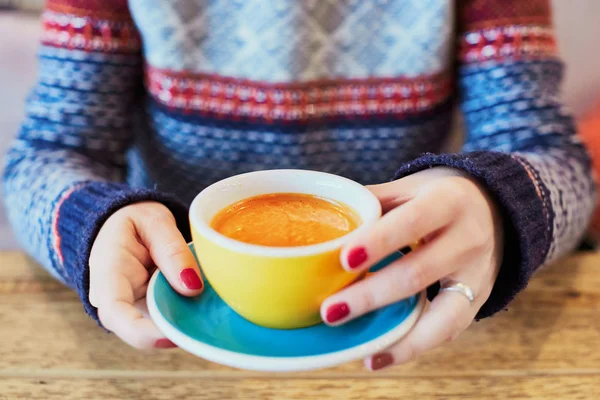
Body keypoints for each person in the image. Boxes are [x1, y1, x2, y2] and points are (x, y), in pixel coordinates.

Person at [2, 0, 595, 370]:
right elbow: (52, 152)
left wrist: (499, 203)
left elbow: (552, 156)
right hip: (171, 336)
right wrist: (92, 223)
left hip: (411, 331)